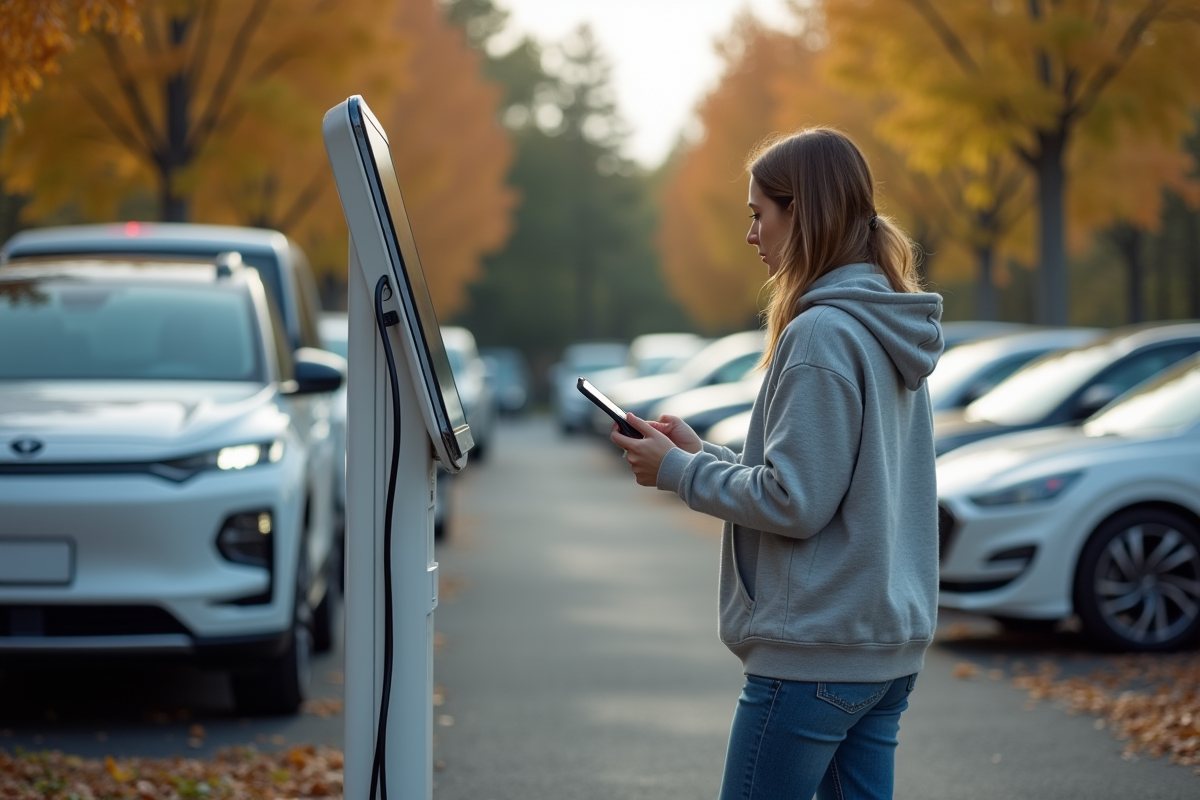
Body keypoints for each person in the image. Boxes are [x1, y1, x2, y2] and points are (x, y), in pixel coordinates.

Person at [610, 127, 944, 800]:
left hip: (815, 656)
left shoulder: (822, 333)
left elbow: (796, 501)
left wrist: (678, 474)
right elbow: (827, 480)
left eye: (759, 213)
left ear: (804, 214)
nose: (751, 232)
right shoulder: (883, 325)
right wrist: (705, 457)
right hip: (879, 651)